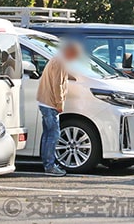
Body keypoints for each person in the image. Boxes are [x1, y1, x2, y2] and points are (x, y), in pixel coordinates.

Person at [35, 39, 80, 177]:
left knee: (48, 134)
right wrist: (59, 103)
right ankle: (50, 166)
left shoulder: (58, 60)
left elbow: (62, 77)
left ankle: (47, 163)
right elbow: (57, 84)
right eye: (74, 55)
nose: (74, 58)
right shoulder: (60, 62)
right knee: (53, 134)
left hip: (44, 101)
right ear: (69, 51)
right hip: (50, 103)